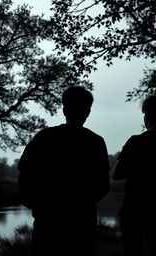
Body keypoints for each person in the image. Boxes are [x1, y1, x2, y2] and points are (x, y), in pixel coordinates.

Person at [18, 86, 110, 256]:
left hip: (47, 221)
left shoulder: (44, 137)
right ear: (88, 112)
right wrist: (82, 204)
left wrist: (39, 207)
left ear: (64, 109)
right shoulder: (96, 142)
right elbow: (103, 185)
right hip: (83, 222)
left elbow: (24, 175)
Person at [113, 95, 156, 256]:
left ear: (146, 116)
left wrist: (124, 155)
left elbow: (117, 174)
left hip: (134, 205)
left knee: (132, 249)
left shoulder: (135, 142)